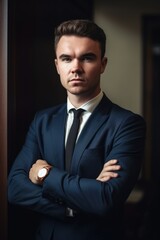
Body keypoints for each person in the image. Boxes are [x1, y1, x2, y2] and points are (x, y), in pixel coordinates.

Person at [8, 19, 146, 240]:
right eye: (66, 58)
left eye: (87, 58)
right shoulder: (43, 120)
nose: (76, 68)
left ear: (103, 64)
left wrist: (45, 174)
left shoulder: (127, 124)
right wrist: (71, 208)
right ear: (57, 66)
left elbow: (106, 199)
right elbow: (15, 188)